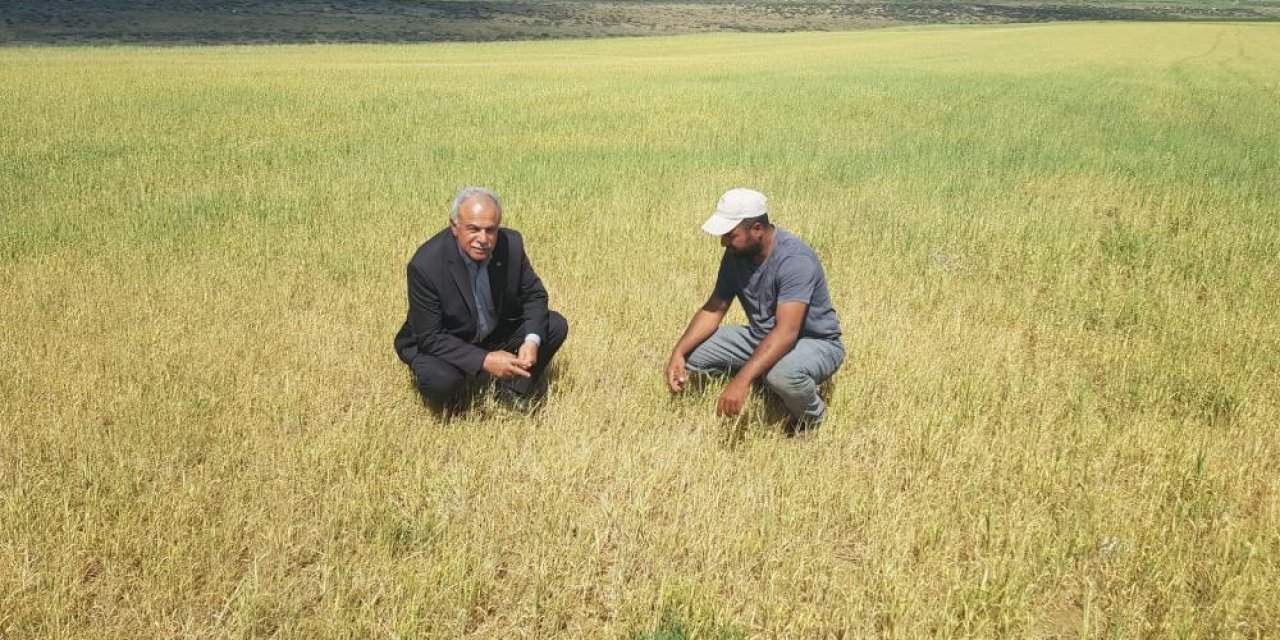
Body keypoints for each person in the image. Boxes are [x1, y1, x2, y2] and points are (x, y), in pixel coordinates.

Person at [666, 188, 844, 429]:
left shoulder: (794, 259)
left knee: (783, 375)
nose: (722, 243)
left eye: (730, 235)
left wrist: (741, 380)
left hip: (814, 343)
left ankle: (813, 418)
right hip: (762, 336)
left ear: (757, 229)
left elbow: (787, 333)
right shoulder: (735, 255)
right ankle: (765, 379)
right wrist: (679, 352)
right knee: (693, 355)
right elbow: (714, 308)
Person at [394, 187, 568, 412]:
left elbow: (534, 295)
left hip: (491, 332)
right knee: (441, 381)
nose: (483, 239)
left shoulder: (511, 245)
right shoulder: (425, 265)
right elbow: (430, 337)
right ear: (454, 227)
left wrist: (531, 342)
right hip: (448, 339)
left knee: (554, 325)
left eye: (490, 230)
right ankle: (458, 399)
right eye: (473, 229)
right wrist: (484, 360)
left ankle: (513, 390)